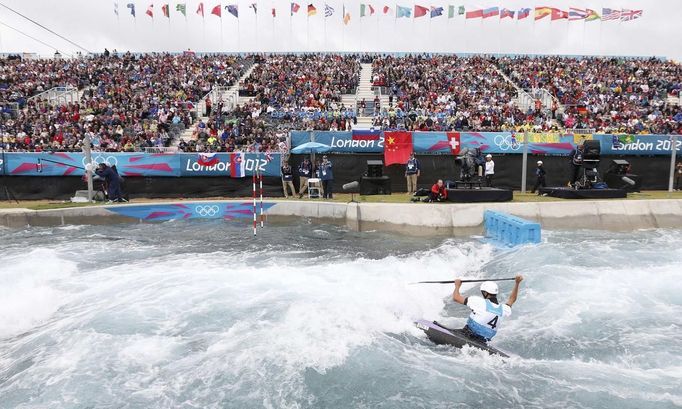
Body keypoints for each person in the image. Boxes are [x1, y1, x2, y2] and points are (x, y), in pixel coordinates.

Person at [451, 275, 524, 343]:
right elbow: (512, 299)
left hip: (467, 335)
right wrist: (517, 283)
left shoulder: (479, 302)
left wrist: (457, 285)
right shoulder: (504, 309)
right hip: (483, 342)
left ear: (485, 293)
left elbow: (456, 298)